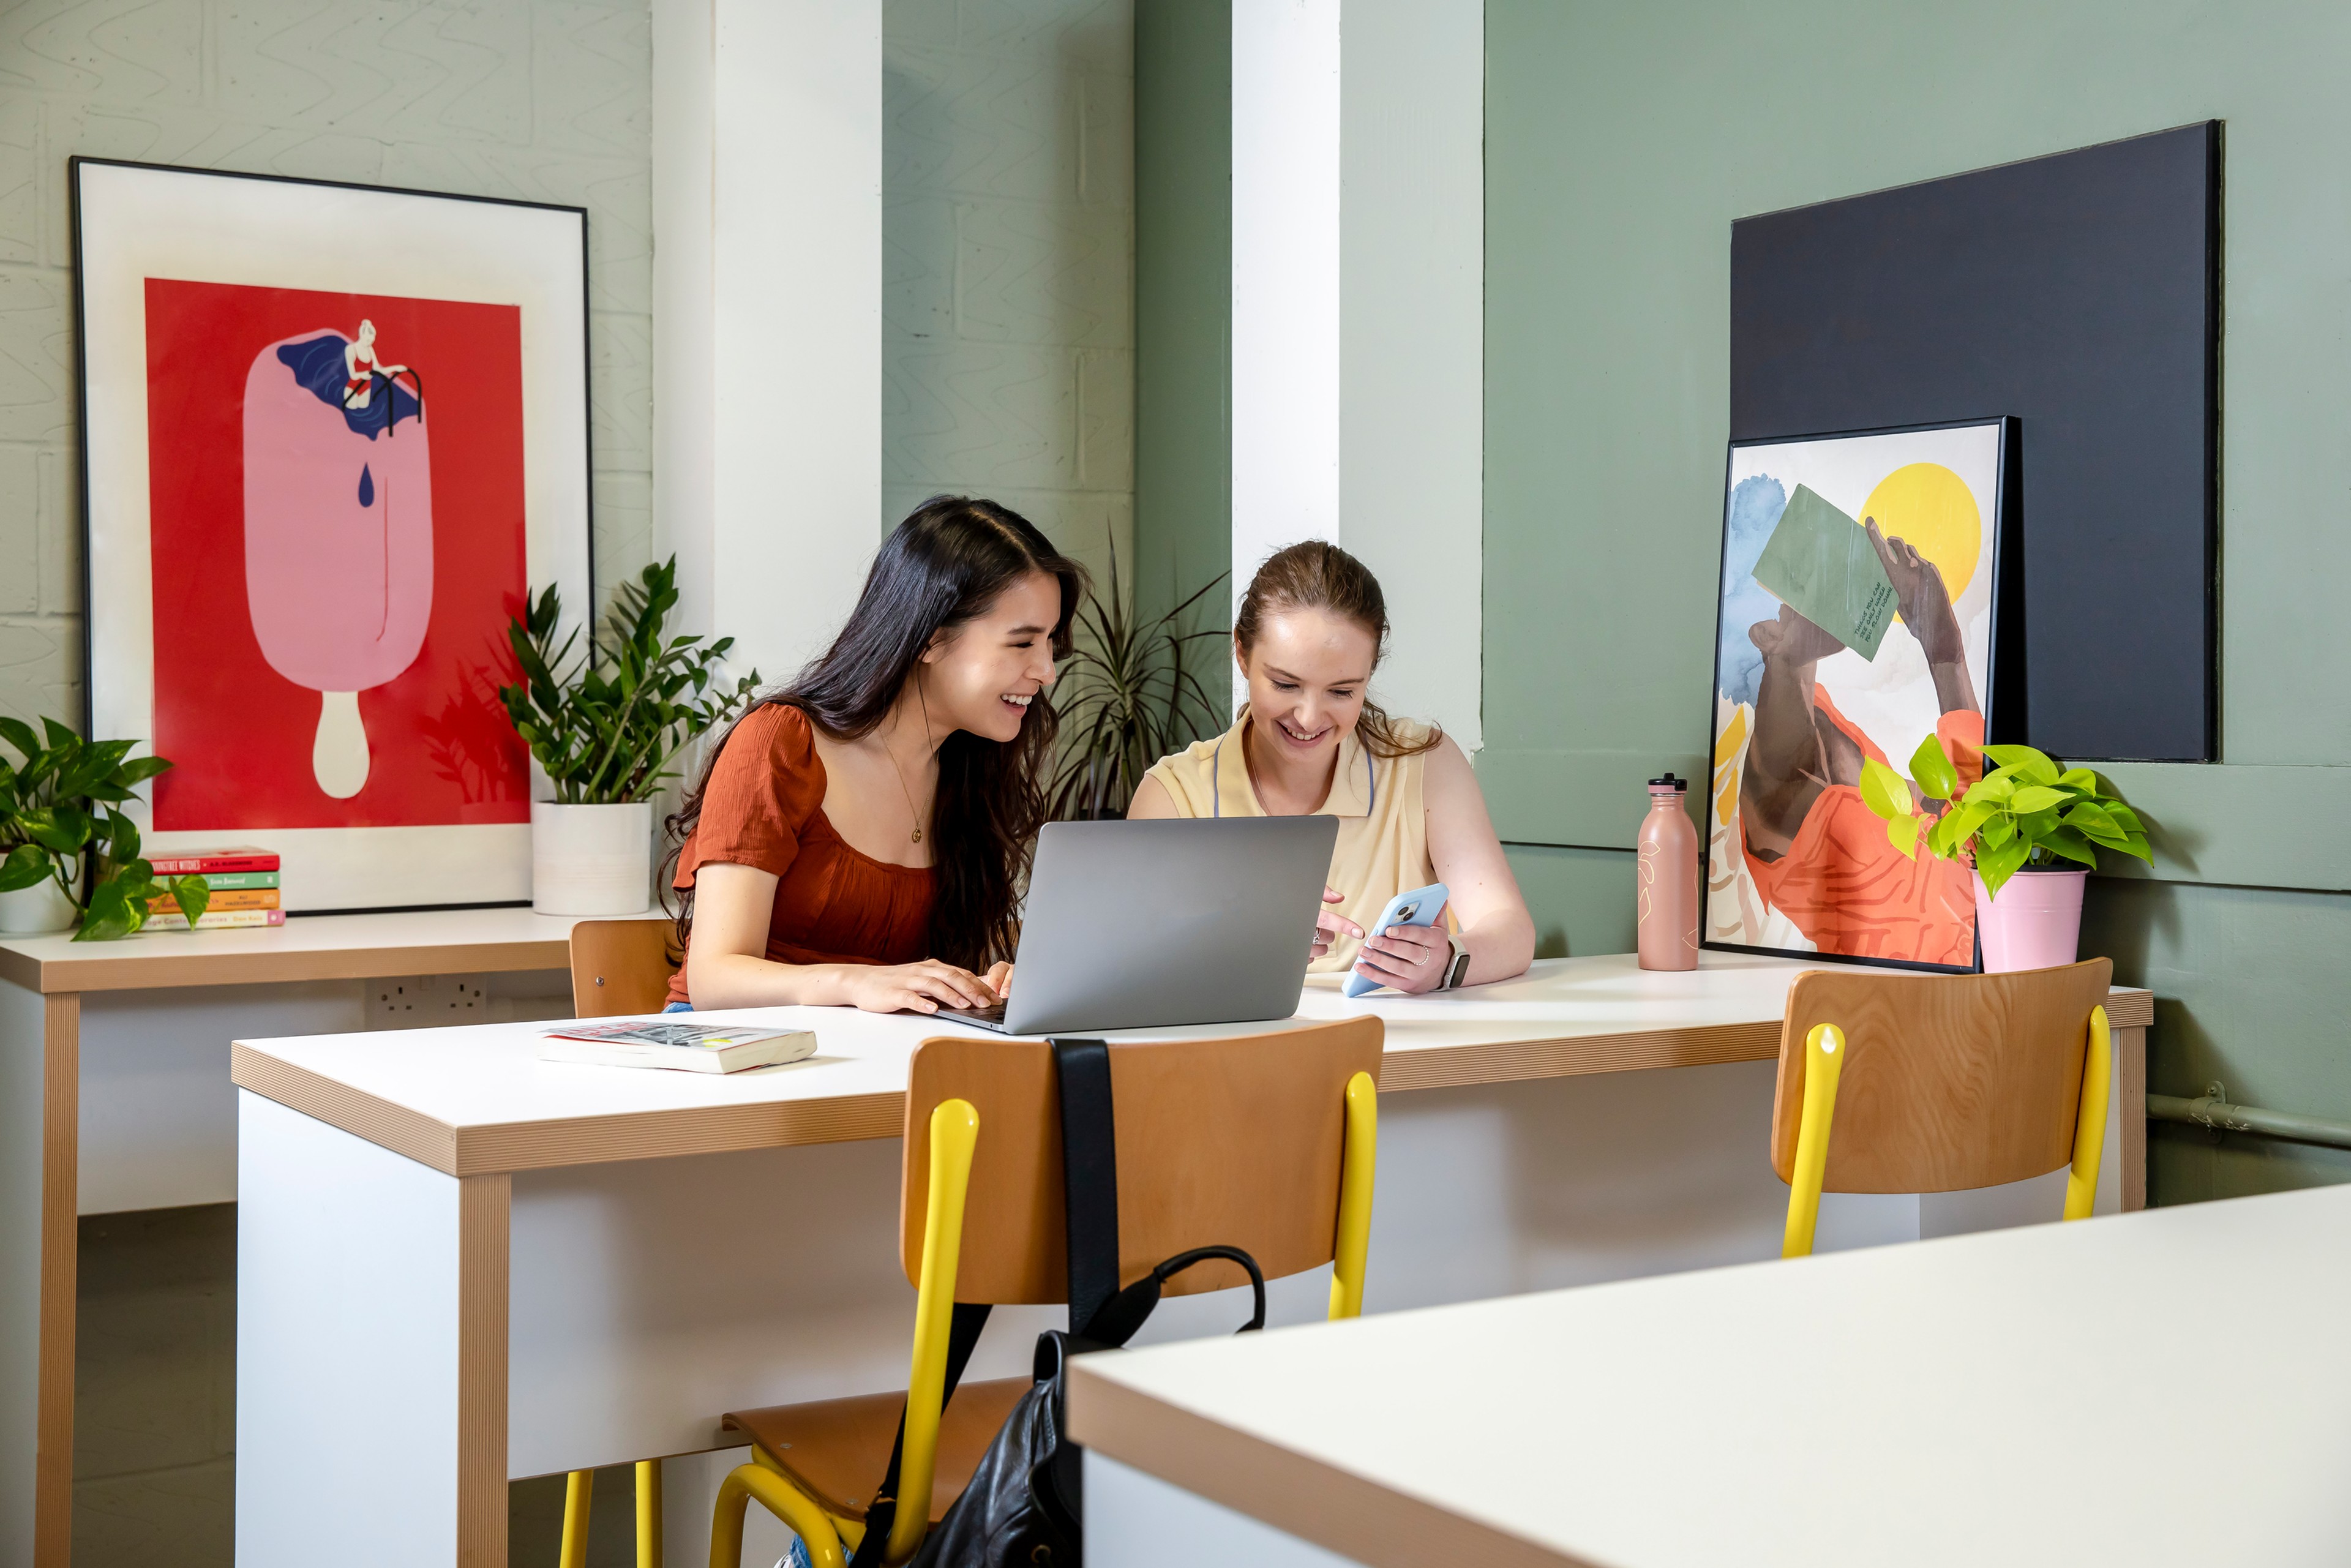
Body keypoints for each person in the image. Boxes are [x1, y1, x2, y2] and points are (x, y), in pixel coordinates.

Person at [662, 496, 1081, 1013]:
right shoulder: (780, 743)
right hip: (733, 1047)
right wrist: (858, 983)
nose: (1047, 671)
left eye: (1050, 643)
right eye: (1022, 643)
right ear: (929, 637)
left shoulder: (969, 770)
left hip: (870, 1054)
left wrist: (980, 985)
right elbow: (714, 978)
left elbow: (912, 980)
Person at [1128, 540, 1535, 993]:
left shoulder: (1424, 764)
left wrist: (1446, 963)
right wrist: (1232, 945)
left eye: (1341, 691)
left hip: (1400, 1058)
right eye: (1285, 683)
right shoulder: (1173, 795)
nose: (1309, 717)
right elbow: (1132, 968)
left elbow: (1511, 931)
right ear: (1241, 653)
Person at [1738, 518, 1981, 965]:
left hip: (1982, 984)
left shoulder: (1855, 748)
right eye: (1810, 582)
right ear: (1766, 636)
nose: (1834, 587)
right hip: (1884, 1012)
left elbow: (1973, 833)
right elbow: (1785, 762)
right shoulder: (1773, 776)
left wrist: (1946, 653)